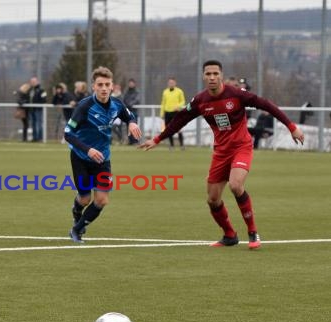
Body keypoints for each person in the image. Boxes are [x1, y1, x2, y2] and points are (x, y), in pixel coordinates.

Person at [139, 59, 305, 249]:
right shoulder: (200, 101)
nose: (212, 77)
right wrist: (157, 139)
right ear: (203, 76)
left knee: (235, 185)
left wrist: (291, 127)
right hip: (220, 152)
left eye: (215, 74)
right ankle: (229, 235)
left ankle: (252, 232)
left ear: (221, 76)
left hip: (241, 147)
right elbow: (180, 120)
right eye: (208, 74)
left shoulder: (236, 94)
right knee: (212, 199)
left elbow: (266, 105)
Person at [65, 66, 142, 243]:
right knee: (85, 199)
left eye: (107, 84)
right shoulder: (85, 106)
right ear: (94, 86)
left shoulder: (117, 104)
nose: (104, 88)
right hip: (81, 157)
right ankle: (77, 210)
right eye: (100, 84)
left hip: (102, 159)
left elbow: (129, 115)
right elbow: (68, 133)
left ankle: (76, 230)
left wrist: (131, 123)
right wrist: (88, 150)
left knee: (102, 199)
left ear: (112, 86)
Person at [160, 77, 186, 150]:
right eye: (170, 83)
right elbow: (163, 103)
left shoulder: (179, 91)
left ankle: (182, 145)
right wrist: (162, 113)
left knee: (179, 128)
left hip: (176, 112)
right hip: (167, 113)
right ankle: (171, 146)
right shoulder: (165, 92)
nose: (171, 84)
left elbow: (183, 101)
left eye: (172, 82)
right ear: (168, 83)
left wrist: (178, 106)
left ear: (175, 83)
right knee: (168, 129)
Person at [28, 76, 47, 142]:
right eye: (31, 82)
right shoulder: (30, 90)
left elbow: (44, 99)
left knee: (38, 124)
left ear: (37, 82)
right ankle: (34, 138)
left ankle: (40, 138)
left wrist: (37, 104)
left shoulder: (42, 90)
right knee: (33, 124)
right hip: (31, 110)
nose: (32, 83)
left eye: (34, 81)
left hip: (38, 110)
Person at [123, 78, 141, 145]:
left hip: (134, 111)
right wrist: (127, 105)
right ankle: (130, 141)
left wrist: (131, 104)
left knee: (134, 126)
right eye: (130, 83)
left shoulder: (137, 92)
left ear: (134, 84)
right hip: (128, 111)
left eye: (132, 83)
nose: (131, 84)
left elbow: (137, 100)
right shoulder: (126, 92)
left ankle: (136, 141)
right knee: (128, 126)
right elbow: (124, 99)